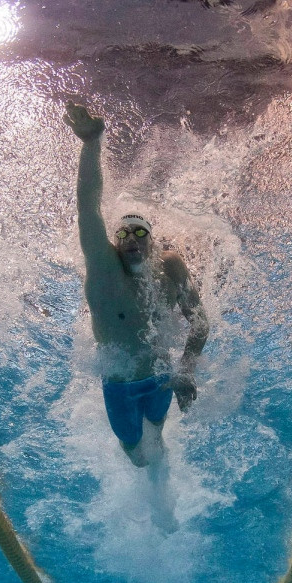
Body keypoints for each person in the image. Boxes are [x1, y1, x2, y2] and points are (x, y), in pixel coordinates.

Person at [64, 103, 210, 470]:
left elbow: (200, 321)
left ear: (152, 239)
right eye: (123, 233)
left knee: (157, 436)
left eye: (140, 232)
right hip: (120, 388)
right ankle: (147, 470)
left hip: (161, 376)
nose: (131, 238)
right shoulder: (104, 270)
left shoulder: (170, 265)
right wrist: (92, 143)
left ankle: (162, 469)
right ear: (114, 243)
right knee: (137, 458)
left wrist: (187, 368)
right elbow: (88, 209)